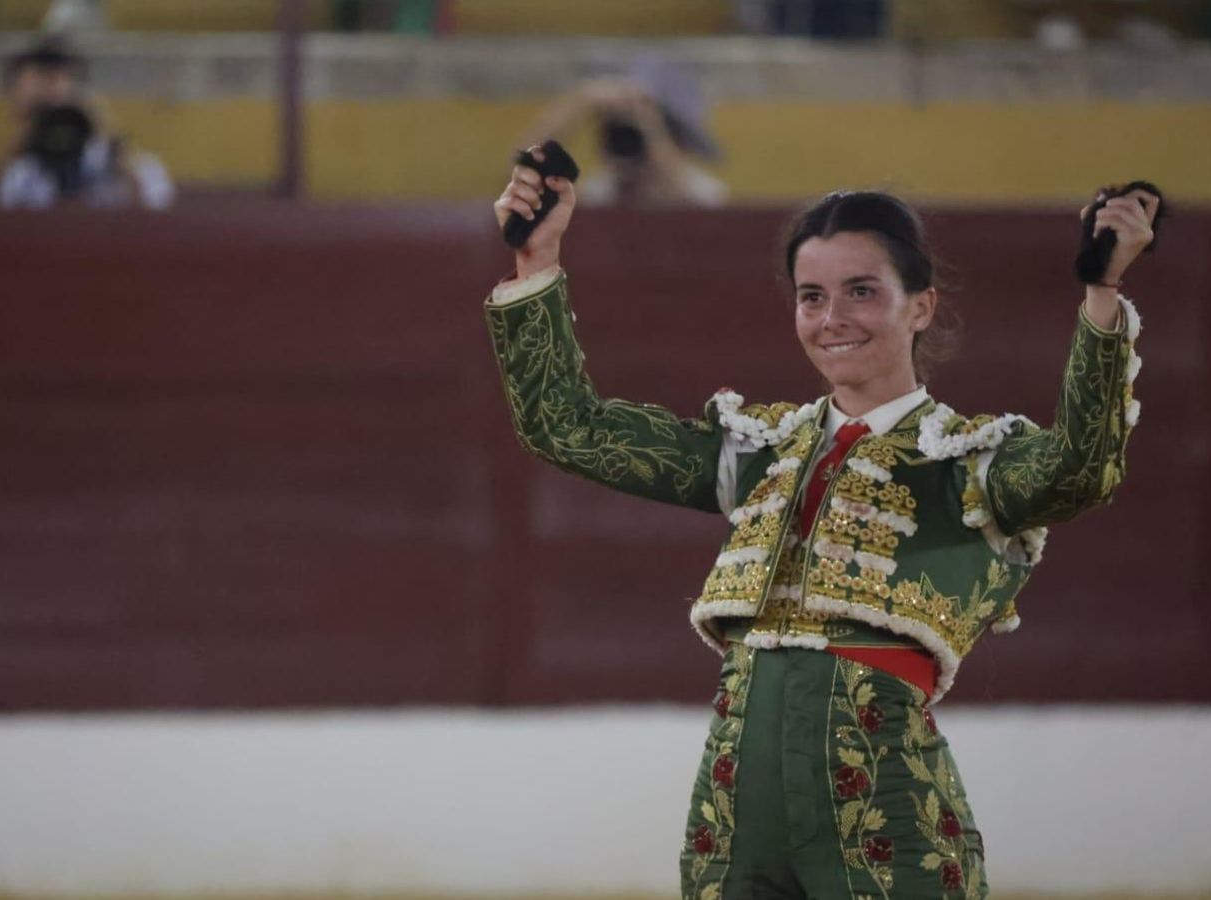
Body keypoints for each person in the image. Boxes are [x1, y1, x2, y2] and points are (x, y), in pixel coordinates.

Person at [487, 150, 1155, 899]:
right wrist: (536, 258)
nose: (832, 318)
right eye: (812, 296)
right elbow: (569, 428)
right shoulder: (759, 451)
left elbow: (1082, 469)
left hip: (885, 802)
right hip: (734, 802)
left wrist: (1102, 292)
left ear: (921, 307)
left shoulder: (970, 462)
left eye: (861, 291)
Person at [0, 39, 174, 211]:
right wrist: (23, 143)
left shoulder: (128, 165)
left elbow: (150, 207)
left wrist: (104, 130)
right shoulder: (18, 170)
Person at [522, 65, 728, 209]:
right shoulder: (602, 192)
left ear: (679, 141)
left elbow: (680, 196)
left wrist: (649, 123)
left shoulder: (703, 194)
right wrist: (580, 102)